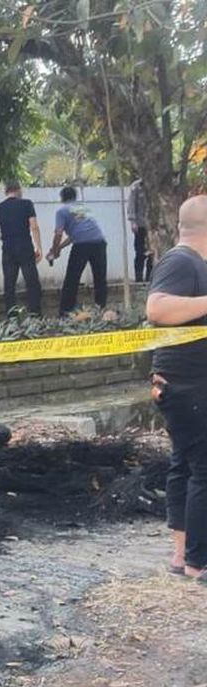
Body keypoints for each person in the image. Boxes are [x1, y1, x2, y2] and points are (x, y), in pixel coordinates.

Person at [146, 195, 207, 581]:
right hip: (188, 386)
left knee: (185, 465)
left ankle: (182, 554)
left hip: (187, 382)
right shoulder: (180, 260)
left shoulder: (195, 263)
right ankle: (199, 563)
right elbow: (158, 309)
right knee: (203, 470)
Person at [0, 180, 44, 315]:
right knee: (32, 281)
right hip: (25, 247)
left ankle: (11, 318)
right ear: (18, 190)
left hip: (8, 248)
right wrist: (39, 247)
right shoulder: (27, 204)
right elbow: (34, 226)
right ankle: (35, 315)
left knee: (9, 284)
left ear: (6, 192)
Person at [48, 186, 108, 314]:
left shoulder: (62, 211)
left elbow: (59, 233)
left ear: (62, 198)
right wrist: (58, 248)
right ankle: (101, 307)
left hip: (82, 245)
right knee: (100, 277)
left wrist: (54, 251)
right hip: (99, 242)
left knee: (72, 278)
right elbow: (76, 234)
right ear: (75, 197)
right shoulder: (80, 207)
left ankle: (65, 310)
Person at [127, 177, 154, 283]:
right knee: (140, 253)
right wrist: (133, 221)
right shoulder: (136, 187)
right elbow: (131, 204)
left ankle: (150, 278)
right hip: (141, 225)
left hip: (153, 226)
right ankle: (139, 279)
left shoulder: (156, 184)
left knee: (153, 254)